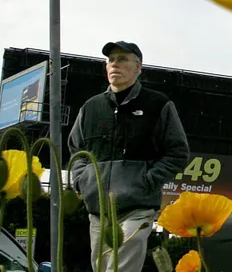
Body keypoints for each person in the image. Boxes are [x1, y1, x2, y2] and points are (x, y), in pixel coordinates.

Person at [68, 41, 190, 272]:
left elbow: (178, 152)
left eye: (122, 59)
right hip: (98, 209)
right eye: (110, 60)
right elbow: (76, 149)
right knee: (102, 267)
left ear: (138, 67)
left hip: (137, 207)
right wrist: (82, 181)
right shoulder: (90, 107)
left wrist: (147, 181)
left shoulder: (158, 104)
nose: (115, 64)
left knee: (121, 267)